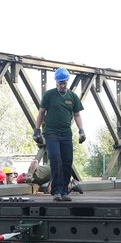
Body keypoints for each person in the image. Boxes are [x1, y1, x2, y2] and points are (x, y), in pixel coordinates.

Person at [33, 67, 86, 202]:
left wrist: (81, 130)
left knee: (67, 161)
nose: (62, 85)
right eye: (60, 83)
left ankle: (64, 190)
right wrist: (37, 130)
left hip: (66, 133)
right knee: (56, 160)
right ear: (56, 82)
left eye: (64, 82)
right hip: (51, 133)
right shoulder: (49, 95)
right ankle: (56, 191)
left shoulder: (72, 97)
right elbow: (41, 113)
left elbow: (77, 114)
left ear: (67, 81)